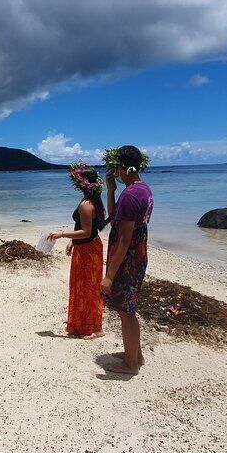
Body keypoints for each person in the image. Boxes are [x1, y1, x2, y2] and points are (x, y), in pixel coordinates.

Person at [101, 145, 154, 375]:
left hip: (128, 258)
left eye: (117, 168)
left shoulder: (131, 195)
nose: (116, 172)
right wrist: (111, 190)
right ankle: (136, 355)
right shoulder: (141, 189)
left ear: (125, 167)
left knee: (126, 311)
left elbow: (124, 240)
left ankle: (130, 364)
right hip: (137, 253)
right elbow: (114, 218)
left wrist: (109, 276)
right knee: (128, 308)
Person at [49, 162, 106, 340]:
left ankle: (95, 329)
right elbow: (88, 229)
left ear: (82, 183)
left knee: (88, 287)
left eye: (77, 180)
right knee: (84, 285)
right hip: (88, 246)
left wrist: (62, 234)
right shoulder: (93, 200)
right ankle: (83, 322)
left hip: (88, 249)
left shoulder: (86, 204)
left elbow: (87, 231)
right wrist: (73, 242)